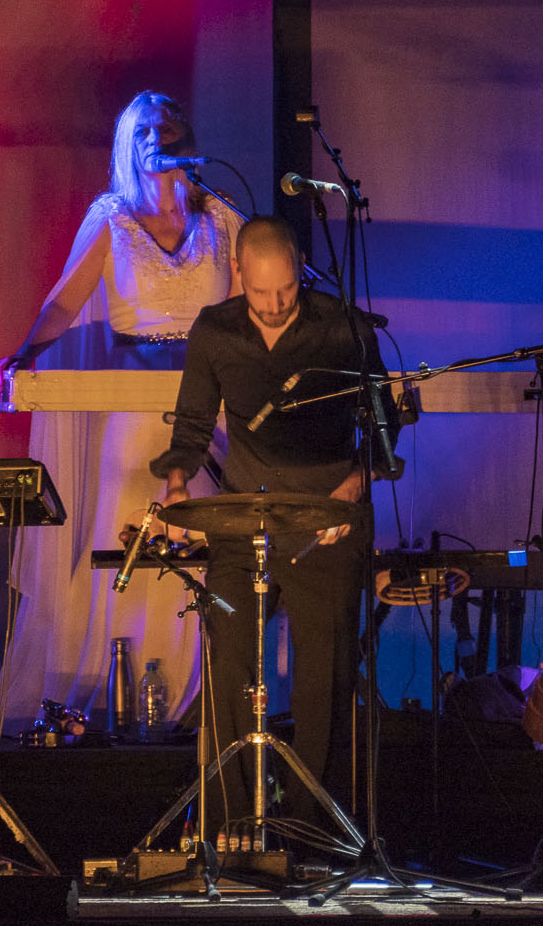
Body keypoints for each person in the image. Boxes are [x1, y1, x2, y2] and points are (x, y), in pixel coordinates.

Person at [0, 91, 242, 732]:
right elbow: (65, 302)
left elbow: (243, 310)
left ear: (185, 137)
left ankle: (194, 701)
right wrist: (22, 354)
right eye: (145, 128)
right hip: (133, 408)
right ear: (129, 142)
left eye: (169, 127)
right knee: (125, 537)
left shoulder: (221, 219)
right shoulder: (112, 219)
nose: (158, 136)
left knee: (198, 540)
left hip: (209, 407)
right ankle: (111, 698)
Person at [151, 215, 392, 831]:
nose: (275, 305)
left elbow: (385, 435)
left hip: (327, 526)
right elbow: (193, 425)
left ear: (299, 269)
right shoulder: (215, 331)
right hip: (244, 521)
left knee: (324, 679)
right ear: (238, 273)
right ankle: (231, 828)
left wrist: (353, 485)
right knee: (227, 659)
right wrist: (177, 483)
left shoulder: (345, 328)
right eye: (260, 293)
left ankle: (318, 832)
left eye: (285, 291)